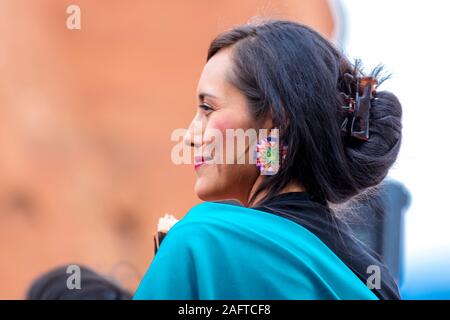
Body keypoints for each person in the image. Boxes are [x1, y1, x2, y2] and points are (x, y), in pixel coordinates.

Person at [133, 19, 402, 300]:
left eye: (208, 109)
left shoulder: (202, 241)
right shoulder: (376, 281)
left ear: (275, 124)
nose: (189, 136)